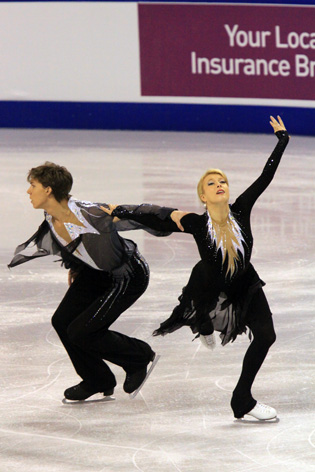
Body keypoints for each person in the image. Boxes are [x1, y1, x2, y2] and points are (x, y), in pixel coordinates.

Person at [103, 116, 290, 420]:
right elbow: (156, 216)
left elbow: (264, 178)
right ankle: (203, 323)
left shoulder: (242, 209)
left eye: (223, 181)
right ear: (203, 196)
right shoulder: (196, 223)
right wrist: (118, 211)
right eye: (211, 183)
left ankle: (242, 399)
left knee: (266, 336)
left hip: (246, 284)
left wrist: (282, 140)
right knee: (201, 315)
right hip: (208, 284)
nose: (219, 185)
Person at [8, 162, 174, 401]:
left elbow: (137, 212)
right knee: (62, 321)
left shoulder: (90, 213)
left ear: (48, 190)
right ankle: (98, 379)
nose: (28, 191)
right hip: (94, 272)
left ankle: (139, 357)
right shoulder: (51, 215)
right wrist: (76, 267)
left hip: (127, 275)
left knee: (82, 331)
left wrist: (182, 219)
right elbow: (76, 244)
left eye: (32, 185)